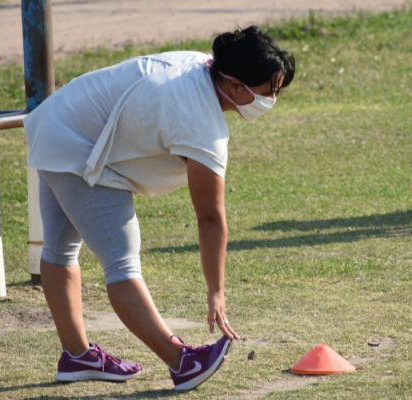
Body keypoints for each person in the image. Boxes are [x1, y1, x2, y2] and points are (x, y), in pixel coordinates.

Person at [23, 25, 295, 391]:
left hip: (56, 119)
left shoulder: (201, 66)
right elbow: (210, 216)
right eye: (269, 91)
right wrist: (216, 290)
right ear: (234, 85)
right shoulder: (201, 122)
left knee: (59, 250)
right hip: (80, 144)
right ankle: (182, 361)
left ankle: (77, 356)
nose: (272, 99)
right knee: (122, 261)